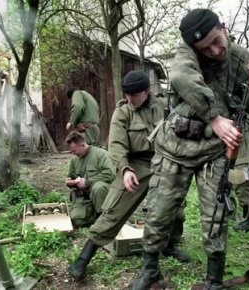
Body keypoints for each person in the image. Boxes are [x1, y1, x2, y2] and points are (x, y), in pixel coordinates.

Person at [130, 9, 249, 290]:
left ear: (223, 26)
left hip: (215, 152)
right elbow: (181, 76)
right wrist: (215, 117)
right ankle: (150, 270)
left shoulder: (242, 57)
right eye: (206, 48)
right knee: (159, 212)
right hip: (175, 148)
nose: (216, 51)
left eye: (218, 41)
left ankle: (214, 280)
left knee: (216, 217)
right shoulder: (186, 53)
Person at [67, 70, 190, 281]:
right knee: (113, 210)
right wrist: (124, 169)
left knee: (176, 209)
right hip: (134, 165)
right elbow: (116, 145)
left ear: (146, 91)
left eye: (134, 94)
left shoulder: (162, 105)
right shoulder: (122, 112)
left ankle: (170, 246)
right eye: (127, 94)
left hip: (163, 162)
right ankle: (83, 260)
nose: (129, 99)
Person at [66, 131, 115, 228]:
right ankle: (95, 216)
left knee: (98, 187)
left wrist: (87, 182)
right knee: (77, 221)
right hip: (84, 197)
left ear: (83, 145)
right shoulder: (75, 160)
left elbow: (110, 174)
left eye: (75, 151)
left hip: (102, 195)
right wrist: (71, 182)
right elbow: (69, 177)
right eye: (71, 151)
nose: (73, 154)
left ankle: (103, 218)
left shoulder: (101, 154)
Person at [232, 119, 249, 232]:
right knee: (223, 176)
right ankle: (230, 212)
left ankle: (248, 219)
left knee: (242, 177)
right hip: (222, 130)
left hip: (240, 129)